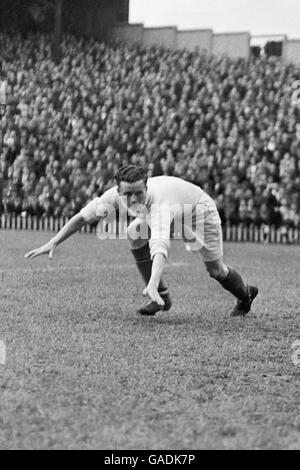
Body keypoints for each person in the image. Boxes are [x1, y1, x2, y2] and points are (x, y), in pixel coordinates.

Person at [25, 164, 258, 316]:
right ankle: (161, 300)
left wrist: (153, 281)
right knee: (134, 233)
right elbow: (83, 217)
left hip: (197, 210)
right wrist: (53, 241)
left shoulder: (160, 206)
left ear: (146, 187)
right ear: (118, 191)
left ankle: (245, 296)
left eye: (139, 192)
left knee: (216, 270)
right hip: (177, 208)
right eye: (128, 193)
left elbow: (160, 248)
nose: (134, 198)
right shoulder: (113, 196)